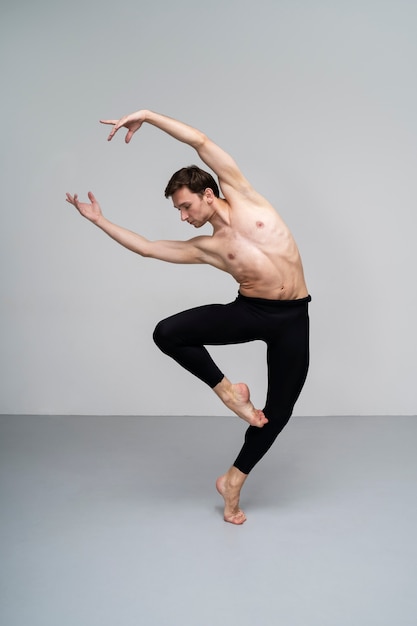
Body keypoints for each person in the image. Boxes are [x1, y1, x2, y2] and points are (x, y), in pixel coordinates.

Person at [66, 109, 311, 525]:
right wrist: (100, 221)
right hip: (252, 311)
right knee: (168, 333)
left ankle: (233, 480)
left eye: (184, 206)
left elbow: (198, 140)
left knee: (279, 412)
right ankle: (228, 393)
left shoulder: (244, 194)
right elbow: (146, 247)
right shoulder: (207, 247)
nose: (183, 217)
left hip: (293, 317)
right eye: (179, 211)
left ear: (207, 194)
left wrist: (145, 114)